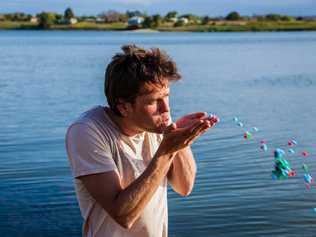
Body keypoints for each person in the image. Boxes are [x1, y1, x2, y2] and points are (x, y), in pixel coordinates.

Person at [65, 44, 219, 237]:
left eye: (167, 97)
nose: (166, 109)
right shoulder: (87, 131)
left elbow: (184, 187)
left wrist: (180, 139)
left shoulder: (156, 124)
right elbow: (123, 215)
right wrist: (166, 151)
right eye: (154, 101)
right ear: (124, 107)